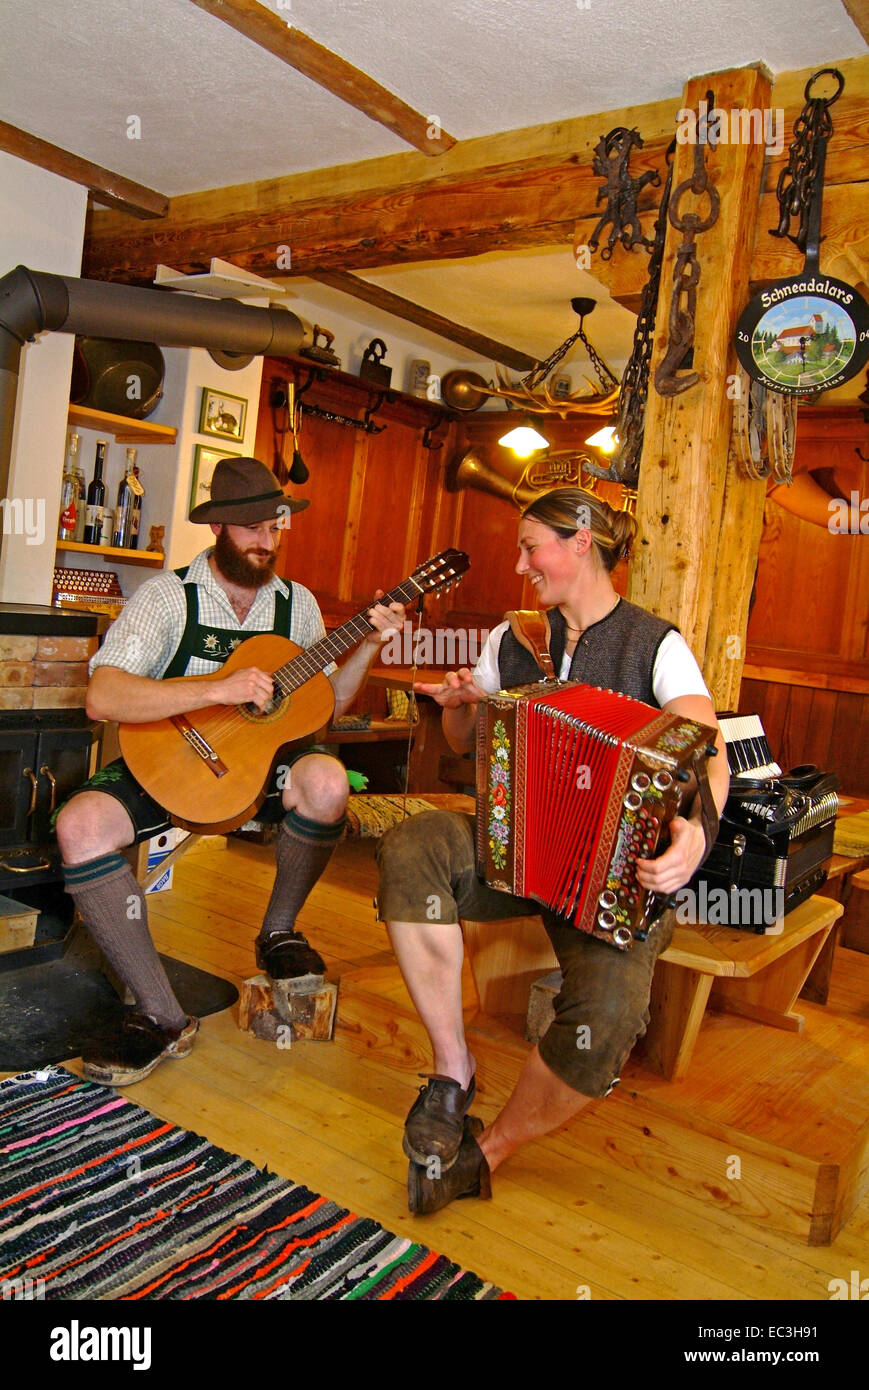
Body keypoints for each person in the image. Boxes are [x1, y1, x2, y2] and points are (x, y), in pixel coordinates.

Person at [375, 486, 730, 1214]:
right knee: (414, 845)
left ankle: (484, 1152)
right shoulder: (510, 640)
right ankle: (452, 1073)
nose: (518, 564)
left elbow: (706, 748)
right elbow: (461, 744)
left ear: (581, 542)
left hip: (611, 872)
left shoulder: (653, 643)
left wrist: (694, 835)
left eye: (529, 545)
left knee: (607, 1020)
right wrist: (458, 709)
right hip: (514, 848)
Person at [56, 456, 405, 1086]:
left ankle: (278, 934)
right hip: (173, 759)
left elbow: (327, 703)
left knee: (326, 779)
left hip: (256, 770)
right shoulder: (168, 596)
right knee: (80, 826)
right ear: (219, 527)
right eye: (251, 528)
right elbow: (102, 696)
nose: (266, 542)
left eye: (275, 527)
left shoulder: (297, 605)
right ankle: (160, 1016)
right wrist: (213, 691)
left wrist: (373, 643)